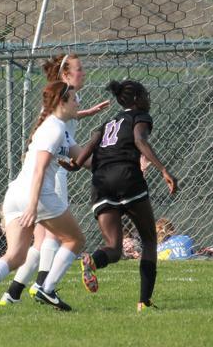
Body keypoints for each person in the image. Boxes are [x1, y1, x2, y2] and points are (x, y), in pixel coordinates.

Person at [0, 81, 90, 316]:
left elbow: (86, 160)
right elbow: (39, 169)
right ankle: (46, 289)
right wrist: (32, 206)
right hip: (36, 195)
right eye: (74, 99)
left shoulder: (60, 129)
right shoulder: (53, 129)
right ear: (61, 102)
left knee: (17, 255)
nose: (78, 103)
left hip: (16, 195)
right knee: (75, 239)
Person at [0, 53, 109, 304]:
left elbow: (68, 118)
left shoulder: (70, 99)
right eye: (78, 69)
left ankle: (13, 292)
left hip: (52, 170)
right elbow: (49, 134)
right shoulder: (58, 102)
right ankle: (42, 286)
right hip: (52, 172)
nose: (83, 73)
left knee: (40, 240)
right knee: (54, 237)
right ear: (65, 75)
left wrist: (86, 113)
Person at [62, 79, 179, 312]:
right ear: (136, 99)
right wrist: (163, 169)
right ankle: (144, 302)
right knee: (149, 240)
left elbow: (91, 144)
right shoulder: (139, 116)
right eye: (145, 94)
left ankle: (93, 260)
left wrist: (75, 165)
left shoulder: (107, 123)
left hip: (101, 183)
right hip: (127, 177)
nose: (147, 99)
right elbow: (139, 140)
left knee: (113, 248)